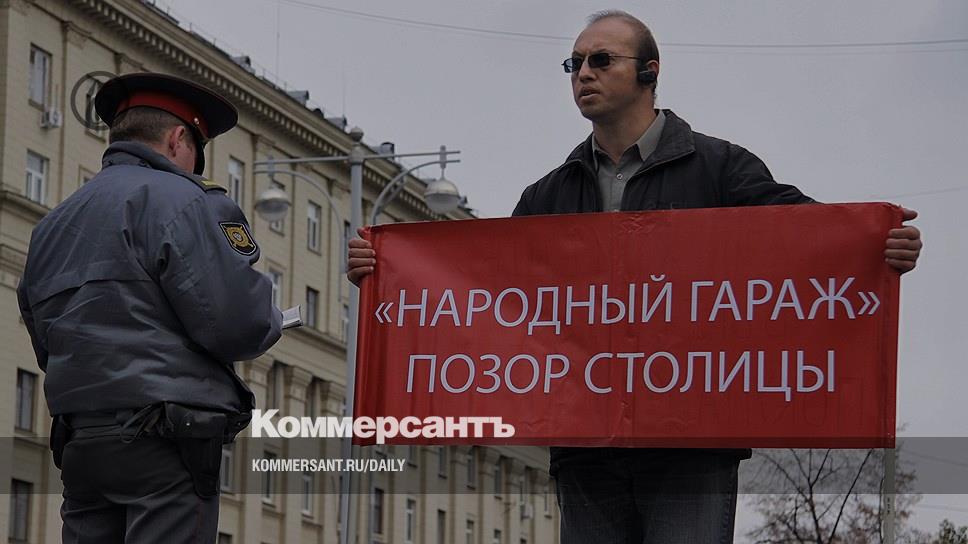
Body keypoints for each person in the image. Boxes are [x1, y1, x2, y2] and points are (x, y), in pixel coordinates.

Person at [347, 10, 922, 543]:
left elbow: (812, 240)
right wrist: (389, 278)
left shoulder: (720, 169)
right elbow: (488, 296)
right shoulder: (548, 195)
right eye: (575, 63)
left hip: (690, 448)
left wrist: (876, 246)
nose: (583, 73)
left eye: (601, 60)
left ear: (650, 71)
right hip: (585, 451)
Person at [17, 72, 282, 543]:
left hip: (82, 439)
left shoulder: (54, 223)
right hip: (165, 440)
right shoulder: (187, 201)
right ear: (178, 139)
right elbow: (239, 324)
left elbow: (43, 335)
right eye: (197, 151)